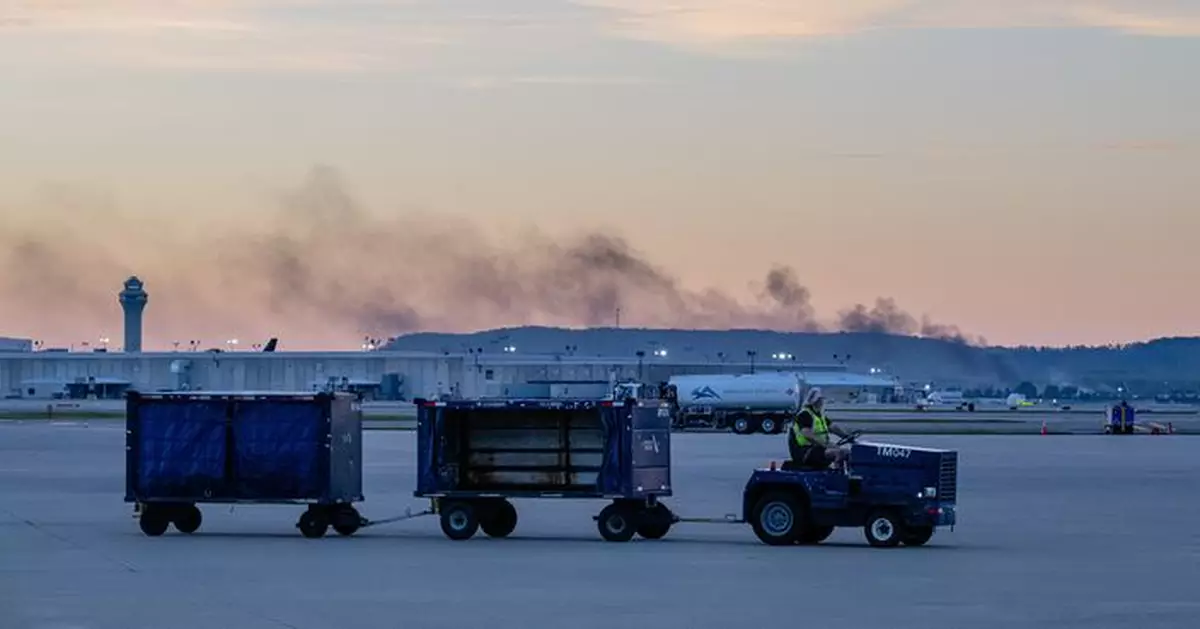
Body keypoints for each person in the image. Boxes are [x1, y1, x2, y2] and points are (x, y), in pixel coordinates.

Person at [789, 387, 853, 469]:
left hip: (818, 449)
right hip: (805, 451)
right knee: (838, 453)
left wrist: (847, 436)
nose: (821, 402)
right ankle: (838, 476)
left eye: (821, 400)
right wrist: (826, 445)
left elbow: (833, 428)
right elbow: (808, 435)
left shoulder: (819, 416)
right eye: (819, 400)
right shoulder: (804, 415)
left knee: (846, 452)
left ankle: (849, 475)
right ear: (813, 401)